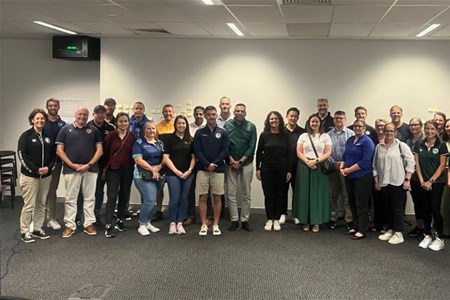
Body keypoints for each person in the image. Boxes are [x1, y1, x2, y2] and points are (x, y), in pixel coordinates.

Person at [56, 107, 103, 238]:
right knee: (71, 199)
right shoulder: (65, 130)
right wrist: (72, 165)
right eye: (80, 114)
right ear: (75, 115)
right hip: (71, 170)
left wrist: (88, 165)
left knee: (89, 198)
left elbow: (100, 150)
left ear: (88, 116)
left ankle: (88, 224)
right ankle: (70, 225)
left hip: (91, 169)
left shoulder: (94, 130)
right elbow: (59, 150)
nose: (82, 117)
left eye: (85, 115)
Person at [373, 123, 415, 245]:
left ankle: (398, 232)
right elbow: (375, 165)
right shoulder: (379, 147)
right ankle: (391, 229)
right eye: (387, 131)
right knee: (387, 207)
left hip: (398, 182)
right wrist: (376, 181)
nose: (389, 133)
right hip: (384, 182)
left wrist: (407, 180)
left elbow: (410, 163)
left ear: (395, 132)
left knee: (397, 208)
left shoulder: (402, 146)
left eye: (391, 131)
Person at [18, 108, 56, 243]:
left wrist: (48, 168)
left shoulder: (49, 136)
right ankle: (24, 231)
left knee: (41, 204)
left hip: (46, 176)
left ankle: (37, 228)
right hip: (30, 177)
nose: (40, 121)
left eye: (42, 118)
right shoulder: (26, 136)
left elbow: (54, 156)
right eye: (37, 118)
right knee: (29, 205)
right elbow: (22, 156)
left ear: (45, 120)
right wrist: (35, 170)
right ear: (32, 120)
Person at [194, 105, 229, 236]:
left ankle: (215, 224)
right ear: (204, 115)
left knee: (217, 198)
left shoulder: (223, 132)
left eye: (213, 114)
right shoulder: (199, 132)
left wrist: (215, 163)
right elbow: (198, 151)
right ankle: (203, 224)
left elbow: (225, 150)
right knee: (203, 197)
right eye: (208, 114)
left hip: (218, 170)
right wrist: (207, 164)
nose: (211, 117)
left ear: (216, 115)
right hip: (203, 170)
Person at [293, 114, 332, 233]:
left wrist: (315, 161)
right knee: (304, 194)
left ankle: (316, 222)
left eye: (316, 121)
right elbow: (299, 151)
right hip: (304, 166)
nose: (314, 124)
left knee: (317, 195)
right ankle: (304, 221)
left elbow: (328, 152)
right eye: (312, 122)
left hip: (319, 167)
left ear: (320, 123)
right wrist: (307, 162)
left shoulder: (325, 136)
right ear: (308, 123)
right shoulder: (303, 136)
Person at [413, 120, 447, 251]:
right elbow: (417, 164)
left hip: (437, 182)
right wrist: (422, 181)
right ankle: (427, 235)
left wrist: (430, 181)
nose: (429, 131)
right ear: (424, 129)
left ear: (437, 130)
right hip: (423, 182)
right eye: (427, 129)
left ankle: (440, 238)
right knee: (425, 209)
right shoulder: (418, 144)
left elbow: (442, 165)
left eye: (432, 129)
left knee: (435, 209)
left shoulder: (442, 145)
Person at [256, 111, 291, 231]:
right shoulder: (264, 135)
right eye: (271, 119)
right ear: (268, 121)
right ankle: (269, 219)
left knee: (280, 194)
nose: (274, 121)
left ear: (280, 120)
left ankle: (276, 219)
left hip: (282, 169)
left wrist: (289, 170)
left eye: (276, 118)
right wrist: (258, 169)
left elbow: (289, 154)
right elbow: (259, 152)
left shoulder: (285, 135)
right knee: (268, 194)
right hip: (267, 169)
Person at [224, 103, 257, 232]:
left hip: (246, 163)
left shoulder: (251, 126)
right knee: (231, 193)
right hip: (231, 163)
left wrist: (241, 161)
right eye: (237, 111)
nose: (239, 113)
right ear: (234, 112)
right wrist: (232, 160)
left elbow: (252, 146)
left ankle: (244, 220)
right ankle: (234, 220)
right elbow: (225, 145)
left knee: (246, 193)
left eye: (242, 111)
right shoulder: (227, 125)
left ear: (245, 113)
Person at [103, 112, 136, 238]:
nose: (123, 124)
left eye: (126, 121)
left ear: (129, 123)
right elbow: (105, 153)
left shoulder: (132, 137)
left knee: (124, 195)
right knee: (112, 196)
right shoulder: (110, 136)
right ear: (117, 123)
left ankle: (120, 220)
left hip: (127, 169)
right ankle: (108, 225)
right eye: (121, 121)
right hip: (113, 169)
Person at [341, 119, 375, 240]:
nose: (357, 128)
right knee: (352, 203)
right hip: (349, 177)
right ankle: (355, 226)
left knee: (362, 204)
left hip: (362, 177)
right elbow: (345, 155)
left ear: (364, 128)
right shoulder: (350, 140)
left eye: (360, 126)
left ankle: (362, 229)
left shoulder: (367, 142)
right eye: (355, 126)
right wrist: (342, 167)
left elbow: (365, 162)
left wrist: (348, 170)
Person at [163, 115, 196, 235]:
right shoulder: (169, 139)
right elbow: (166, 157)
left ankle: (180, 222)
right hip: (173, 173)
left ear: (186, 125)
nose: (181, 125)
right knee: (175, 198)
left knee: (184, 198)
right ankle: (172, 222)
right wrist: (176, 171)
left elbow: (193, 157)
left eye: (183, 123)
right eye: (179, 123)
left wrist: (189, 170)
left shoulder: (191, 140)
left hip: (188, 174)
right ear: (175, 125)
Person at [132, 120, 164, 236]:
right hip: (140, 174)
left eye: (153, 128)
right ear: (144, 130)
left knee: (151, 200)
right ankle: (142, 224)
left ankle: (148, 222)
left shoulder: (160, 143)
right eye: (148, 128)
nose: (151, 131)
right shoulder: (139, 143)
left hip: (157, 175)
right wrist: (152, 169)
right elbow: (138, 159)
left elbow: (164, 159)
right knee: (150, 199)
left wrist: (158, 168)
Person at [86, 105, 115, 227]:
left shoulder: (110, 127)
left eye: (102, 113)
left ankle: (101, 215)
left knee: (104, 192)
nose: (100, 115)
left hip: (107, 164)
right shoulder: (87, 127)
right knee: (91, 192)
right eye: (97, 113)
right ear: (93, 114)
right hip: (91, 164)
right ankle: (89, 217)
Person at [327, 111, 354, 229]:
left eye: (341, 118)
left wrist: (343, 164)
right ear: (333, 120)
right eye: (336, 118)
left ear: (345, 120)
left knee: (346, 196)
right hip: (333, 168)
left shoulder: (351, 134)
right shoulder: (328, 134)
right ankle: (333, 218)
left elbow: (352, 151)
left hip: (346, 168)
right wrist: (334, 163)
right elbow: (326, 151)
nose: (339, 120)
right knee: (332, 195)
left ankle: (349, 219)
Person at [43, 98, 66, 230]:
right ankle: (36, 218)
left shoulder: (63, 124)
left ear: (58, 107)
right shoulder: (42, 122)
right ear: (47, 107)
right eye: (50, 105)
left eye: (55, 105)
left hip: (56, 163)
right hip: (41, 164)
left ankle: (50, 218)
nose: (53, 107)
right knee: (38, 191)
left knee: (52, 191)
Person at [280, 107, 306, 225]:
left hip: (298, 166)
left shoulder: (303, 132)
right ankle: (283, 213)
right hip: (283, 166)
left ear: (298, 118)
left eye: (295, 116)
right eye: (291, 116)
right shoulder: (280, 131)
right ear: (287, 116)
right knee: (283, 191)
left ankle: (296, 214)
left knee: (297, 191)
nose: (293, 118)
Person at [184, 106, 206, 226]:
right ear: (193, 114)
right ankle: (191, 215)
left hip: (203, 163)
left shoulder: (208, 128)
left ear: (204, 115)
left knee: (205, 192)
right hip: (191, 163)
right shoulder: (189, 128)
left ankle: (207, 216)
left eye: (201, 114)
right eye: (196, 114)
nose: (198, 116)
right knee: (190, 190)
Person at [154, 104, 175, 221]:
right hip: (160, 161)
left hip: (173, 161)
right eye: (166, 111)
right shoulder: (158, 126)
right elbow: (155, 142)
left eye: (170, 111)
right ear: (162, 113)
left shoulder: (177, 125)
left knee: (173, 188)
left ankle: (173, 210)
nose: (168, 113)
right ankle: (158, 210)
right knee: (159, 188)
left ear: (173, 112)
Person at [406, 117, 426, 238]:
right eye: (411, 125)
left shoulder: (426, 139)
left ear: (421, 126)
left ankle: (426, 228)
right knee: (417, 202)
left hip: (424, 176)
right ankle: (419, 227)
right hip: (413, 176)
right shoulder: (409, 141)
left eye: (416, 125)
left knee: (425, 203)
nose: (413, 127)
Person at [442, 119, 450, 237]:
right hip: (445, 171)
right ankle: (447, 230)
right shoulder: (443, 143)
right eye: (447, 126)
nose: (448, 128)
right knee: (446, 203)